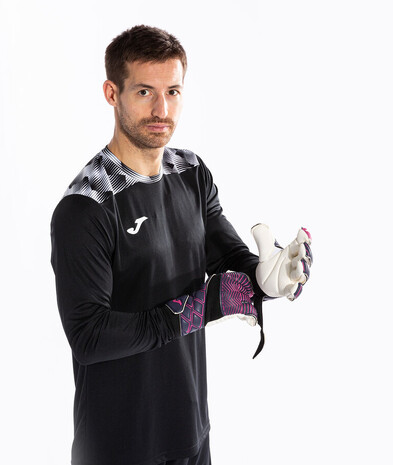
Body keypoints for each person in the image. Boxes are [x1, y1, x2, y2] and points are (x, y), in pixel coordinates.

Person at [50, 25, 312, 465]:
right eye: (144, 92)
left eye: (172, 91)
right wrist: (201, 308)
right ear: (112, 93)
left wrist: (266, 278)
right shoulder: (86, 206)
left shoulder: (190, 172)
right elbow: (89, 337)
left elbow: (228, 258)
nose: (162, 109)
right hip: (118, 446)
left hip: (191, 433)